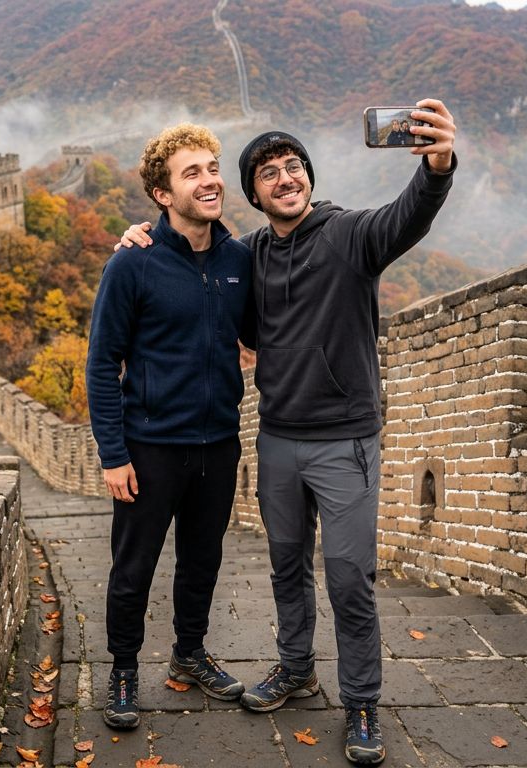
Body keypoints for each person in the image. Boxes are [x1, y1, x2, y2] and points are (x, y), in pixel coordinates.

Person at [117, 99, 457, 765]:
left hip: (345, 440)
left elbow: (409, 214)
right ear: (254, 194)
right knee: (286, 567)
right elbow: (194, 256)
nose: (285, 177)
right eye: (268, 172)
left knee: (349, 578)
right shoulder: (248, 256)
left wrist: (438, 166)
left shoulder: (352, 235)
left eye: (293, 165)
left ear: (308, 176)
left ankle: (361, 703)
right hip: (276, 439)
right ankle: (296, 668)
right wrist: (141, 237)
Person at [86, 123, 255, 730]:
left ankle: (189, 654)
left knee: (202, 561)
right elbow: (102, 362)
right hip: (150, 446)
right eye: (192, 173)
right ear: (162, 194)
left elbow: (260, 332)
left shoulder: (238, 259)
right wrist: (113, 454)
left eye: (212, 168)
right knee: (133, 568)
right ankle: (123, 669)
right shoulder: (133, 263)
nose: (209, 181)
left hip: (218, 443)